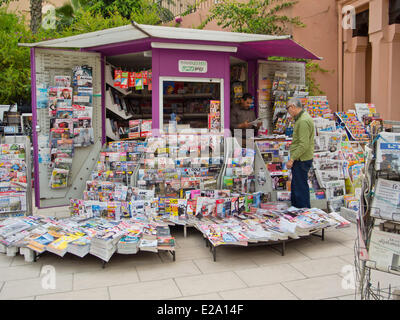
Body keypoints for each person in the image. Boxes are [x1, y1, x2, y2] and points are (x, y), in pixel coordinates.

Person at [285, 98, 315, 208]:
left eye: (288, 108)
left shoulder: (303, 121)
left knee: (300, 187)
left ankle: (304, 210)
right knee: (297, 185)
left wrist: (292, 159)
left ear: (292, 107)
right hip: (301, 158)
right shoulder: (302, 118)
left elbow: (303, 144)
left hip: (301, 159)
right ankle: (298, 209)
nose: (288, 112)